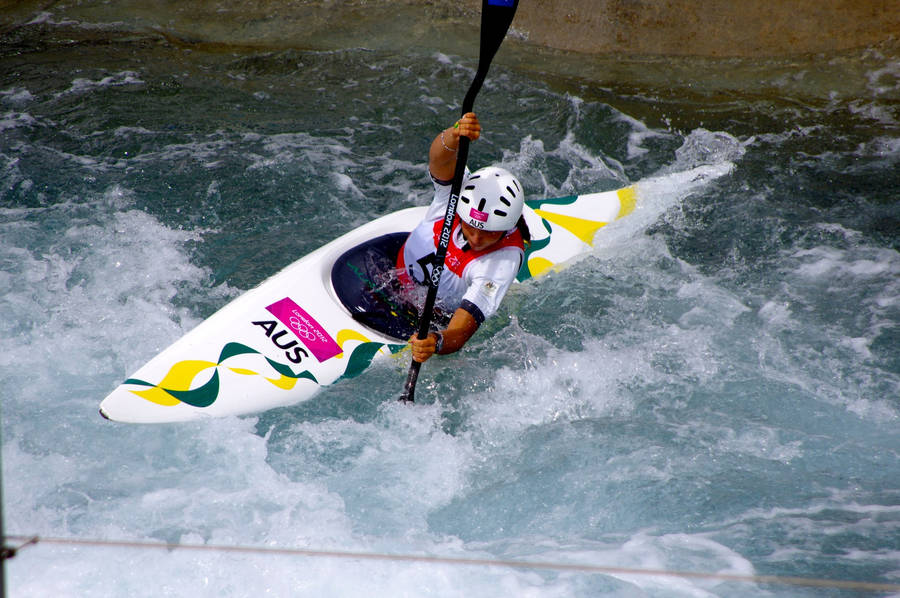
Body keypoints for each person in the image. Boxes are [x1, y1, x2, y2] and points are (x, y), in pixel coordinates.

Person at [400, 112, 529, 363]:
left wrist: (435, 342)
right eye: (471, 226)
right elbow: (439, 160)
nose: (478, 238)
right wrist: (454, 134)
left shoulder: (501, 262)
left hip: (427, 319)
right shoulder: (457, 195)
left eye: (489, 231)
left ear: (507, 227)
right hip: (389, 274)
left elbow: (462, 330)